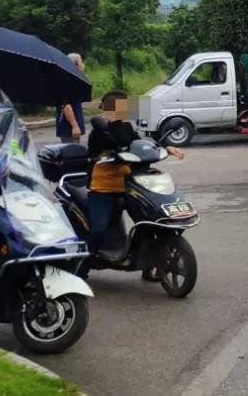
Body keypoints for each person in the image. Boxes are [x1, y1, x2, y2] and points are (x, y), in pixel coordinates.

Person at [78, 90, 184, 278]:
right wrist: (110, 154)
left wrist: (165, 147)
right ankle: (81, 271)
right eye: (124, 107)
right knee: (99, 230)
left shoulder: (126, 126)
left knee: (150, 221)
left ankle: (149, 266)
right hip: (103, 188)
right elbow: (95, 154)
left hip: (127, 184)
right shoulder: (100, 130)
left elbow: (140, 146)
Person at [55, 53, 86, 143]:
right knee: (71, 153)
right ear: (75, 64)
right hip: (69, 128)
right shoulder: (66, 81)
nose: (83, 65)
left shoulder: (73, 80)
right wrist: (75, 126)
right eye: (81, 62)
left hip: (72, 129)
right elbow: (65, 105)